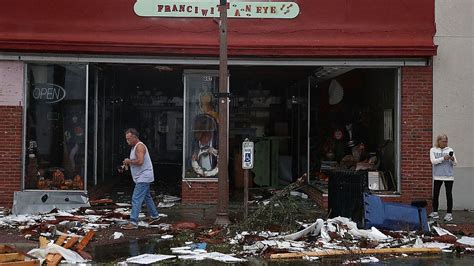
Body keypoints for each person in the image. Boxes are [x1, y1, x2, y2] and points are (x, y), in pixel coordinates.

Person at [121, 128, 160, 229]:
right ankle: (155, 216)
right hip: (142, 176)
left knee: (136, 198)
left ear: (134, 137)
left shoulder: (140, 147)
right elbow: (137, 160)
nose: (127, 141)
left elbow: (140, 161)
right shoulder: (134, 147)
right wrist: (128, 162)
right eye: (126, 139)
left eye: (128, 139)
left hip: (144, 176)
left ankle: (133, 222)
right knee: (147, 197)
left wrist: (129, 161)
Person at [429, 134, 458, 222]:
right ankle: (435, 212)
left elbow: (456, 163)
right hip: (437, 175)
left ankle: (449, 214)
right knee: (436, 194)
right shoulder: (433, 150)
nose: (445, 143)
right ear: (438, 141)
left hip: (449, 176)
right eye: (443, 141)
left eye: (446, 141)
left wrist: (452, 159)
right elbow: (433, 161)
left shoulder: (450, 150)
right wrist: (443, 158)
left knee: (448, 194)